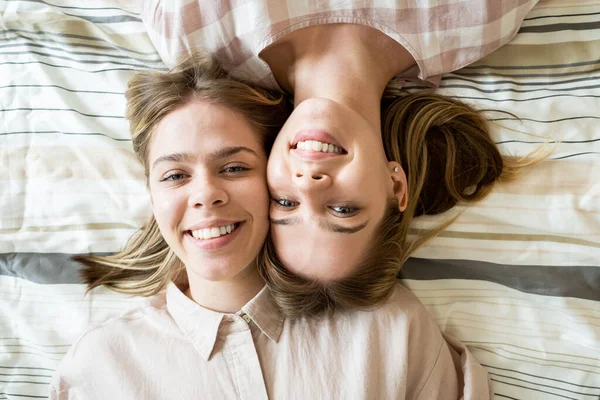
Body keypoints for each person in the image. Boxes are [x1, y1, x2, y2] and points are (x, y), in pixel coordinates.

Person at [49, 53, 492, 399]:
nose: (205, 194)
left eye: (235, 167)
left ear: (274, 177)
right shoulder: (99, 365)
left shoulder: (392, 332)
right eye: (175, 176)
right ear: (152, 196)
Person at [142, 0, 541, 316]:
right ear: (396, 184)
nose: (309, 184)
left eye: (286, 203)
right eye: (344, 209)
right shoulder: (479, 17)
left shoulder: (192, 29)